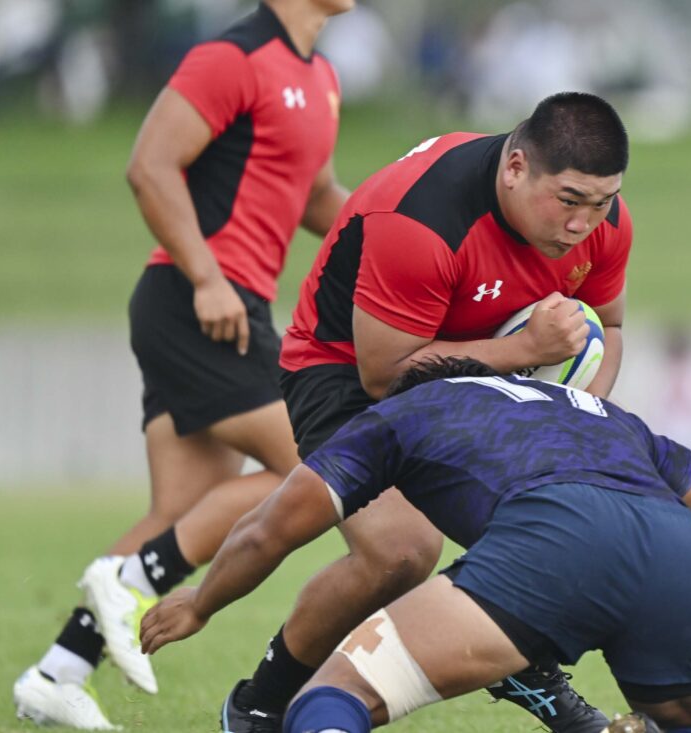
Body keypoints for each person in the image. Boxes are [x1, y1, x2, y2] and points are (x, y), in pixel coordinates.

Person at [215, 91, 634, 733]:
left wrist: (575, 417)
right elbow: (386, 376)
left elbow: (609, 328)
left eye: (601, 204)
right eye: (569, 201)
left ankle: (529, 667)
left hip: (480, 371)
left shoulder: (604, 222)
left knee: (563, 517)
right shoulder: (422, 217)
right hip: (340, 367)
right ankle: (260, 704)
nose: (583, 224)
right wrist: (523, 350)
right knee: (402, 551)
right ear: (516, 167)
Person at [139, 356, 691, 733]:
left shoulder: (401, 412)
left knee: (333, 697)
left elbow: (269, 529)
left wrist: (201, 601)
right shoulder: (600, 413)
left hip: (553, 540)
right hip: (678, 549)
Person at [12, 1, 351, 729]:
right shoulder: (232, 57)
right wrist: (205, 276)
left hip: (232, 306)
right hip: (195, 302)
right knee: (311, 466)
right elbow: (149, 165)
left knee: (179, 511)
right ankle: (127, 579)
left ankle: (56, 672)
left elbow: (318, 197)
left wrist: (397, 228)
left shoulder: (322, 77)